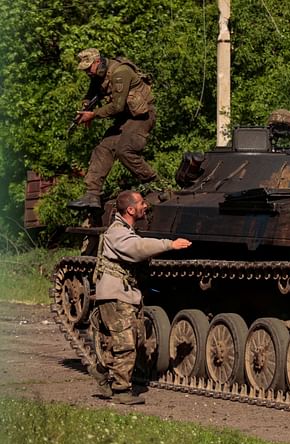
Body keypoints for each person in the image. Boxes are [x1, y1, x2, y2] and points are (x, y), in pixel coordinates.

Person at [87, 190, 191, 405]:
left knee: (128, 340)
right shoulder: (117, 232)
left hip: (125, 293)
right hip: (116, 295)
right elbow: (137, 249)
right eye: (142, 203)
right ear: (131, 209)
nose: (146, 206)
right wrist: (168, 244)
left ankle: (101, 370)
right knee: (125, 344)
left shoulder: (127, 230)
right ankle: (121, 390)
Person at [68, 48, 158, 209]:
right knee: (102, 149)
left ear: (97, 61)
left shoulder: (120, 73)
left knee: (125, 150)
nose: (87, 72)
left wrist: (93, 114)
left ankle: (155, 183)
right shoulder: (99, 73)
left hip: (141, 117)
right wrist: (87, 104)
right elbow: (93, 91)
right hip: (125, 118)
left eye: (89, 68)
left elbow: (117, 106)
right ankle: (92, 195)